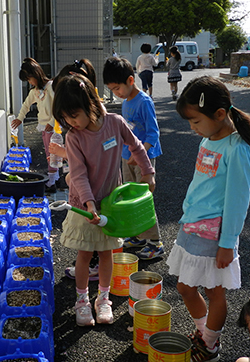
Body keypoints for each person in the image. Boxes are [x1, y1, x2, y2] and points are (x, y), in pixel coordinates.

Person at [52, 73, 155, 326]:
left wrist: (148, 172)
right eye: (64, 118)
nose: (70, 122)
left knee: (108, 252)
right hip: (84, 206)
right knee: (85, 255)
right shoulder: (73, 137)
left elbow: (137, 146)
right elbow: (78, 174)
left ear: (91, 104)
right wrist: (88, 204)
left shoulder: (115, 123)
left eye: (73, 115)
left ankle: (103, 299)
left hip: (111, 204)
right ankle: (82, 301)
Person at [166, 75, 250, 361]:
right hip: (192, 225)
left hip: (215, 233)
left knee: (214, 292)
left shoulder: (237, 149)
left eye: (195, 121)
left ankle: (210, 345)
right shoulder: (209, 138)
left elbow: (237, 201)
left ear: (219, 114)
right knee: (184, 286)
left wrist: (228, 243)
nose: (193, 129)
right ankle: (205, 336)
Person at [103, 56, 164, 260]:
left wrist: (140, 155)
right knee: (130, 199)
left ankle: (155, 243)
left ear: (130, 80)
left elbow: (153, 134)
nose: (116, 94)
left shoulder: (144, 102)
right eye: (112, 90)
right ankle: (138, 235)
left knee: (143, 201)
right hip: (127, 157)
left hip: (143, 159)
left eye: (117, 88)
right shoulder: (126, 101)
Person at [51, 58, 100, 281]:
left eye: (72, 115)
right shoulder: (87, 122)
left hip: (94, 188)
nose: (70, 122)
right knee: (93, 236)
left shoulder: (99, 122)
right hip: (91, 187)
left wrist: (64, 155)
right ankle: (92, 264)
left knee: (93, 235)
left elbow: (88, 160)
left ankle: (93, 267)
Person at [11, 58, 58, 192]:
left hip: (52, 127)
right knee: (50, 153)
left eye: (30, 79)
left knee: (52, 154)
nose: (30, 82)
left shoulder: (50, 87)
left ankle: (52, 182)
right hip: (44, 127)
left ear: (36, 74)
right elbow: (26, 105)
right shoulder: (35, 91)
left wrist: (52, 122)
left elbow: (57, 105)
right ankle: (54, 179)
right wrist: (20, 118)